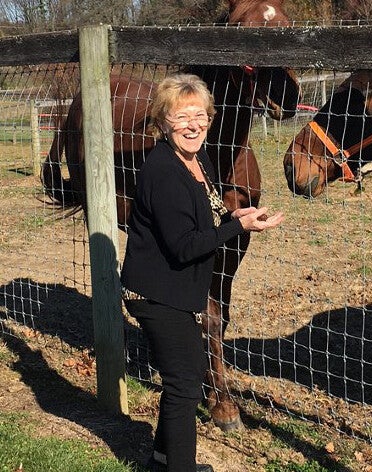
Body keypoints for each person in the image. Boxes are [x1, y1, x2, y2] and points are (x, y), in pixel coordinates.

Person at [120, 73, 284, 472]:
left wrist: (234, 214)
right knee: (185, 386)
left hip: (175, 291)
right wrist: (238, 228)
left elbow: (207, 212)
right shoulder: (163, 170)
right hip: (157, 295)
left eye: (200, 116)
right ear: (162, 122)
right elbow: (185, 244)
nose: (193, 125)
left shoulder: (197, 159)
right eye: (181, 117)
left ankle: (162, 459)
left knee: (183, 379)